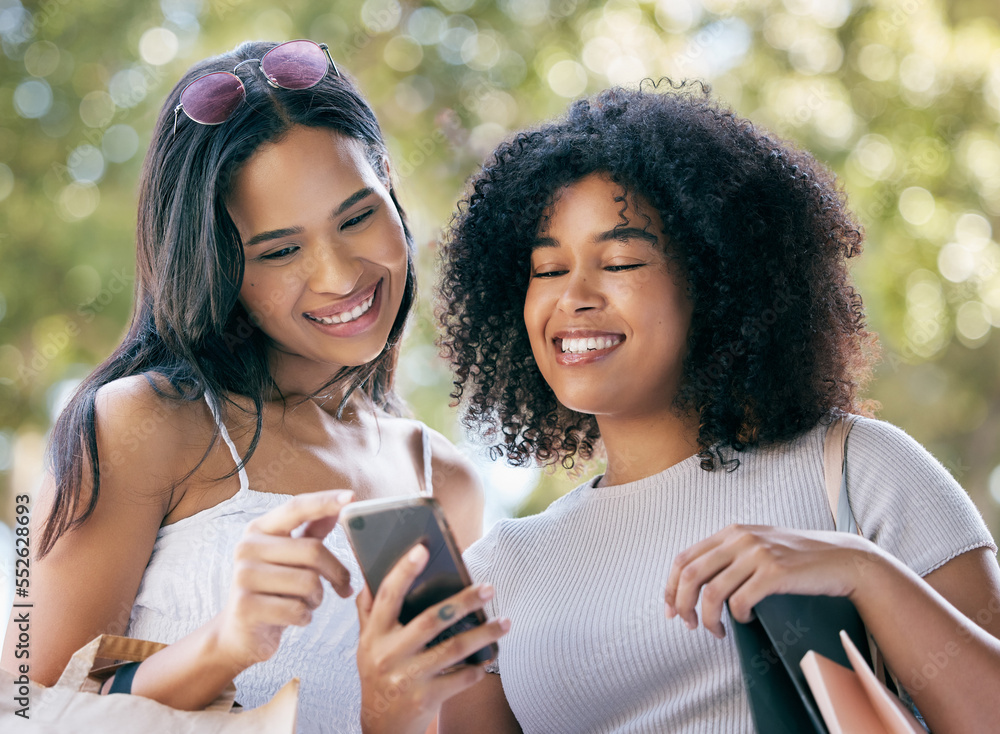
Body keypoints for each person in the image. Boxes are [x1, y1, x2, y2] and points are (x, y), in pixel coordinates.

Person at [434, 83, 1000, 733]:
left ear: (715, 279)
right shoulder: (498, 571)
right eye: (547, 269)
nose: (575, 298)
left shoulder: (857, 469)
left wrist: (864, 573)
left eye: (618, 260)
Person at [0, 40, 506, 734]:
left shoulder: (443, 480)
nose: (337, 276)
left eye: (357, 215)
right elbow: (21, 705)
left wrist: (394, 711)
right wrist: (226, 646)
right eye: (279, 250)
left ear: (389, 181)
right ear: (219, 266)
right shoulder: (135, 427)